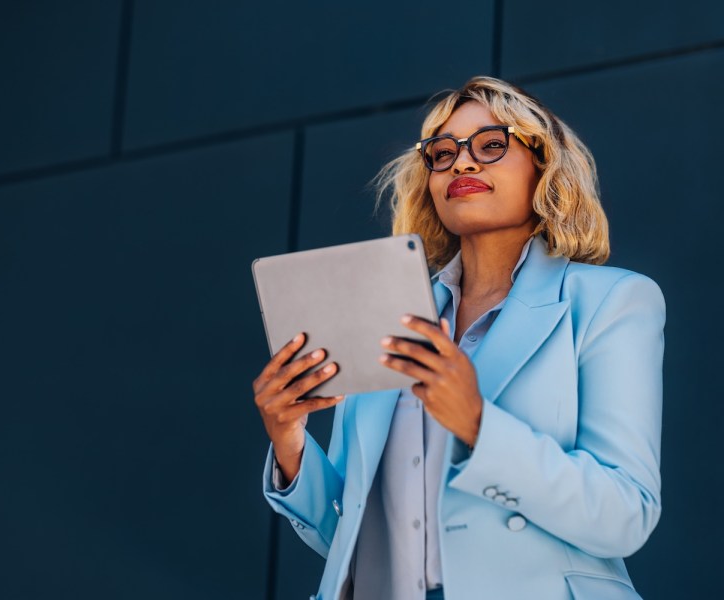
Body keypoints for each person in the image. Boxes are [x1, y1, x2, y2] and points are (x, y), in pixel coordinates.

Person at [253, 76, 664, 600]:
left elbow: (625, 515)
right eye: (441, 154)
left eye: (492, 145)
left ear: (545, 166)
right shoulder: (389, 316)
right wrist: (289, 443)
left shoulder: (612, 301)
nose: (462, 164)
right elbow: (356, 538)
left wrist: (478, 424)